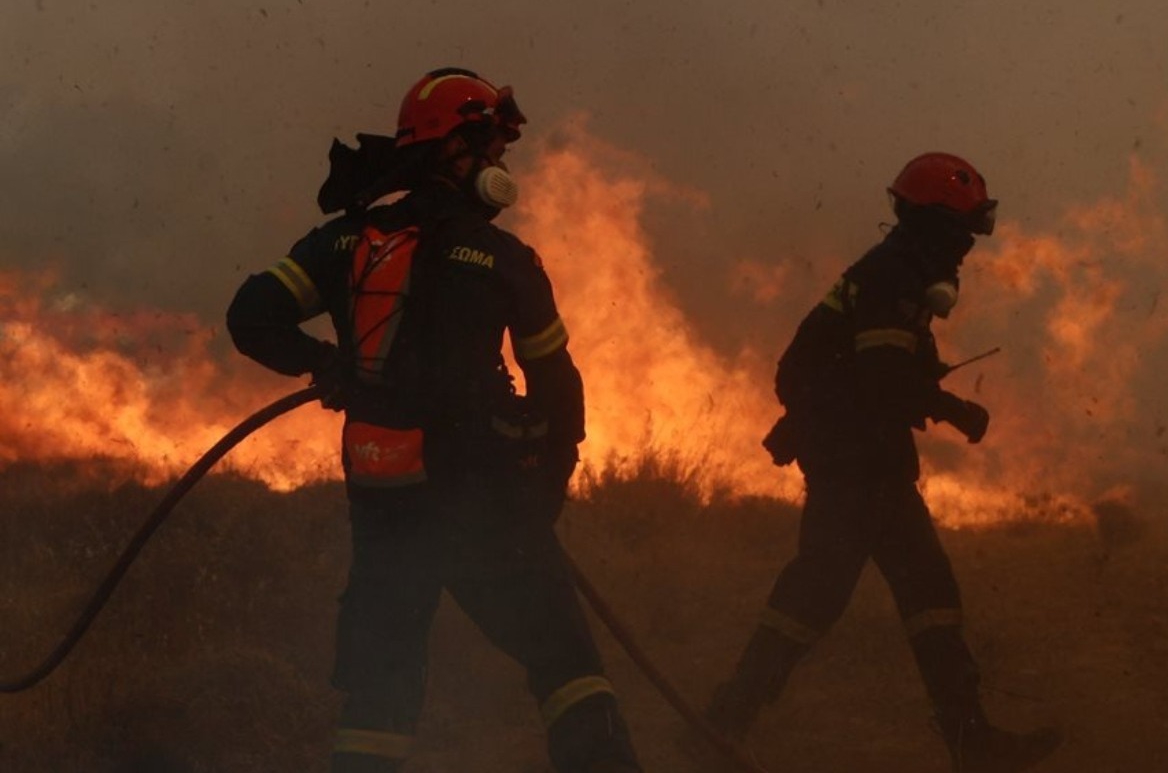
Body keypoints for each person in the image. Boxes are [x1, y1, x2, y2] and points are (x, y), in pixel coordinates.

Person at [226, 68, 640, 773]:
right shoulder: (502, 258)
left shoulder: (344, 242)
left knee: (381, 693)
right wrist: (544, 493)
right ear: (455, 150)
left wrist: (326, 365)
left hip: (384, 498)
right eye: (492, 149)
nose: (502, 166)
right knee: (566, 664)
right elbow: (556, 389)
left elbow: (251, 316)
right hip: (484, 502)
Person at [707, 153, 1061, 772]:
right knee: (830, 593)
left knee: (906, 591)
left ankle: (968, 738)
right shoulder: (895, 275)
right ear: (932, 225)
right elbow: (883, 379)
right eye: (960, 233)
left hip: (862, 454)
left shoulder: (900, 272)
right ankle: (723, 722)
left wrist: (921, 374)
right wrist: (953, 409)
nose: (966, 249)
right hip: (855, 462)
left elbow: (877, 363)